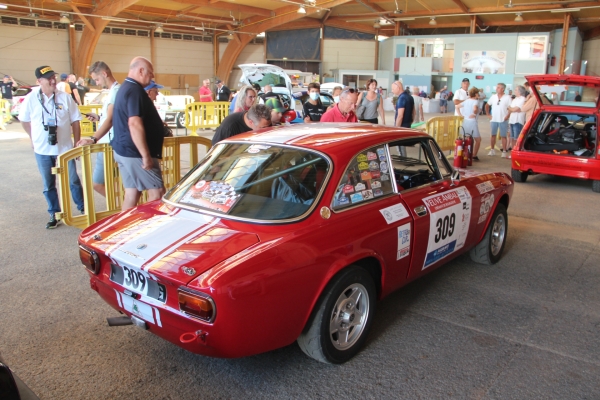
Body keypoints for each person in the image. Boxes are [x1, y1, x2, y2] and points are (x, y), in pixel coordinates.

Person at [19, 65, 85, 228]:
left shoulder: (65, 97)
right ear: (39, 81)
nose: (53, 80)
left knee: (73, 181)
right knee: (48, 184)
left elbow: (75, 120)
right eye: (48, 78)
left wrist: (77, 143)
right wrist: (32, 138)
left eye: (53, 77)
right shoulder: (31, 98)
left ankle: (84, 209)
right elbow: (24, 120)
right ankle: (54, 213)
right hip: (42, 150)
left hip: (65, 150)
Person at [112, 56, 165, 211]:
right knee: (157, 193)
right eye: (150, 72)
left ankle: (123, 231)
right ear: (141, 71)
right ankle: (149, 230)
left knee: (132, 193)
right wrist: (145, 155)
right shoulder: (135, 91)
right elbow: (134, 123)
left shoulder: (126, 88)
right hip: (135, 153)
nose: (153, 76)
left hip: (124, 150)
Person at [75, 61, 120, 197]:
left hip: (108, 144)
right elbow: (112, 117)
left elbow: (111, 119)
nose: (97, 83)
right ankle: (122, 205)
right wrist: (99, 117)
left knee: (97, 183)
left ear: (104, 74)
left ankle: (121, 206)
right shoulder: (113, 91)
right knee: (113, 182)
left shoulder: (116, 92)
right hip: (109, 143)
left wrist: (93, 139)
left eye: (97, 79)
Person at [485, 83, 512, 157]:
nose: (497, 88)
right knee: (493, 135)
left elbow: (510, 108)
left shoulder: (507, 97)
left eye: (498, 87)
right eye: (497, 87)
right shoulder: (493, 97)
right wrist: (488, 114)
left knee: (503, 136)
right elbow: (487, 105)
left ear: (503, 89)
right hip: (493, 119)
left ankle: (504, 151)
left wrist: (507, 116)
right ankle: (492, 150)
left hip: (503, 119)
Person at [456, 87, 481, 161]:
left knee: (466, 138)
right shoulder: (475, 101)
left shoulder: (466, 101)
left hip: (466, 121)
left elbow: (457, 107)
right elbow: (475, 108)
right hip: (472, 121)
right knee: (478, 140)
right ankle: (474, 154)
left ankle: (465, 154)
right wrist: (474, 113)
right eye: (478, 93)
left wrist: (460, 115)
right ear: (475, 94)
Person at [507, 85, 527, 158]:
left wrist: (512, 109)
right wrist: (512, 109)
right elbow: (510, 109)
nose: (514, 91)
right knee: (512, 138)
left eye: (516, 90)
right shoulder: (515, 99)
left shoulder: (523, 99)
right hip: (512, 120)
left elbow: (515, 109)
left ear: (519, 91)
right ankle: (513, 153)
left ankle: (517, 153)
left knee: (517, 138)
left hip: (518, 121)